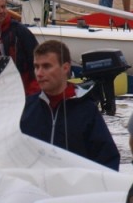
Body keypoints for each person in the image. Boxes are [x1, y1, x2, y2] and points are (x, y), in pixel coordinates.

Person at [19, 39, 119, 169]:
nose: (39, 73)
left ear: (65, 68)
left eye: (46, 66)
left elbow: (108, 160)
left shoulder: (87, 110)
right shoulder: (25, 109)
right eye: (36, 67)